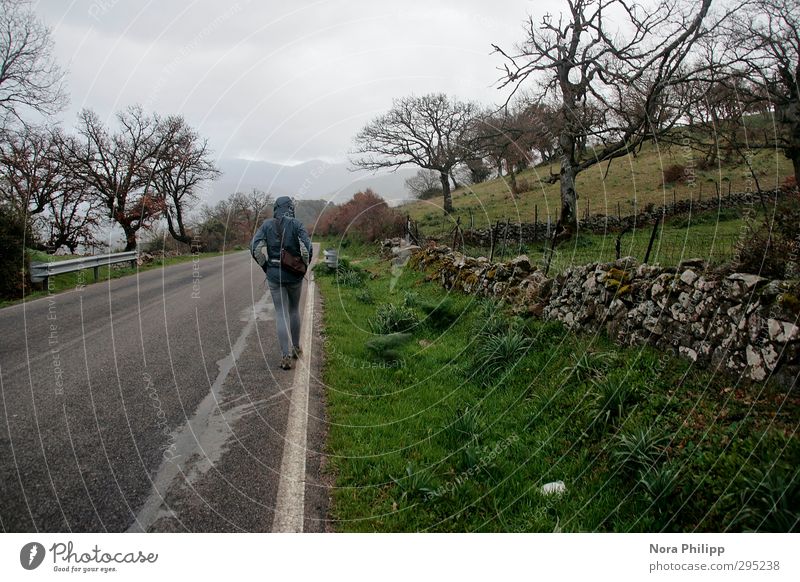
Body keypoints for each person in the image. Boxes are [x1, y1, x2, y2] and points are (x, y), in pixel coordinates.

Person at [251, 196, 313, 370]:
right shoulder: (297, 224)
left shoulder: (267, 225)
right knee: (294, 310)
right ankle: (296, 348)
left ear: (275, 208)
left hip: (274, 276)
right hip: (294, 276)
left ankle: (285, 356)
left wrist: (265, 266)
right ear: (291, 208)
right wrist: (304, 267)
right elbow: (306, 249)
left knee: (280, 313)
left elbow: (254, 248)